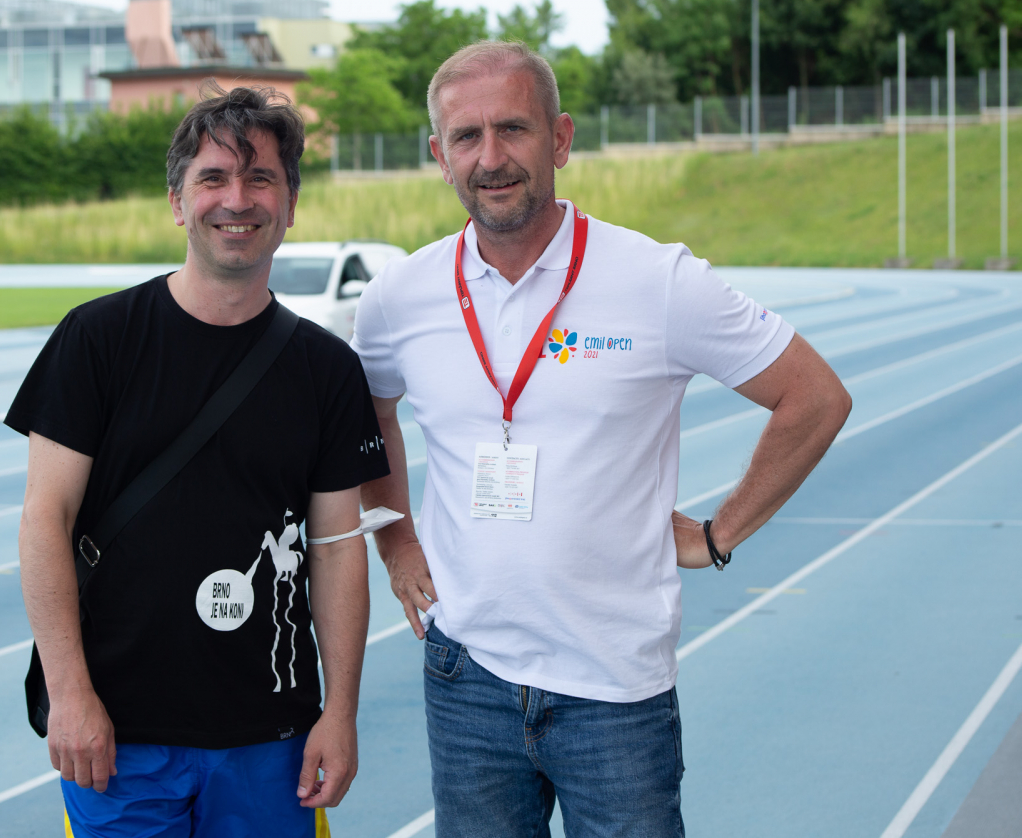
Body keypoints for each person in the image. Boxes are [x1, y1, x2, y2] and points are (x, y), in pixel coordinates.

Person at [352, 41, 852, 836]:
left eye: (514, 128)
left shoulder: (657, 281)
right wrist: (396, 540)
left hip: (613, 687)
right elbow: (369, 416)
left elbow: (815, 397)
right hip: (466, 674)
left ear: (560, 139)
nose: (491, 157)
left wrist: (721, 533)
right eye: (466, 136)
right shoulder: (398, 297)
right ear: (439, 156)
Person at [9, 83, 389, 838]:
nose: (236, 200)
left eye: (261, 179)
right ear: (178, 203)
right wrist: (70, 693)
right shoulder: (97, 339)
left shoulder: (326, 369)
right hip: (119, 734)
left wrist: (339, 712)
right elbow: (45, 521)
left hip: (271, 735)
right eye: (213, 178)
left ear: (290, 204)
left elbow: (337, 550)